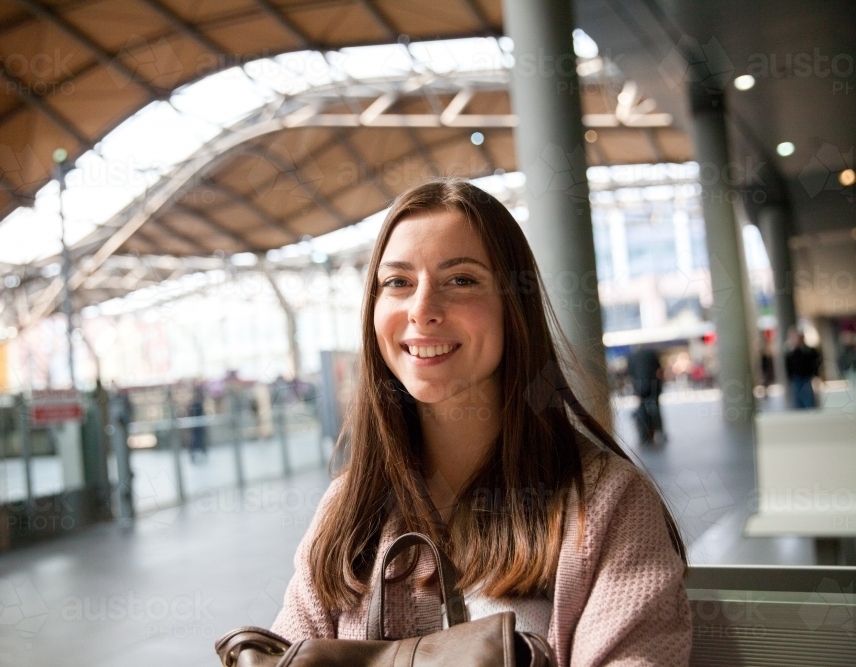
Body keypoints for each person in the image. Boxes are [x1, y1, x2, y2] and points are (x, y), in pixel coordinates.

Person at [269, 179, 690, 665]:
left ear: (514, 309)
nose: (422, 310)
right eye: (398, 282)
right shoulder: (348, 507)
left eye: (461, 280)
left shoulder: (605, 505)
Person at [627, 345, 665, 446]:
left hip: (640, 386)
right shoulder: (651, 354)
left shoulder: (631, 357)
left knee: (642, 408)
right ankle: (660, 432)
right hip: (653, 385)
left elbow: (630, 373)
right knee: (655, 409)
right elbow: (659, 370)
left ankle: (644, 435)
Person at [785, 327, 821, 409]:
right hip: (796, 378)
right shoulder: (790, 352)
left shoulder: (809, 351)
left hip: (807, 377)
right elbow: (789, 367)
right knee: (797, 399)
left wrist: (815, 374)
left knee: (808, 398)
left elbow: (815, 363)